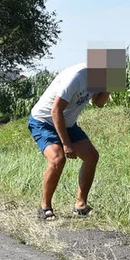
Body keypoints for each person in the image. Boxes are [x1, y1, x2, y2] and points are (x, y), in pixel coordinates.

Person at [28, 61, 109, 220]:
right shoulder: (76, 77)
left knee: (92, 156)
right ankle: (45, 207)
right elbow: (55, 110)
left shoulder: (101, 75)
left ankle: (80, 205)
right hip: (44, 121)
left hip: (67, 123)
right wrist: (66, 144)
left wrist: (109, 86)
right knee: (58, 159)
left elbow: (98, 103)